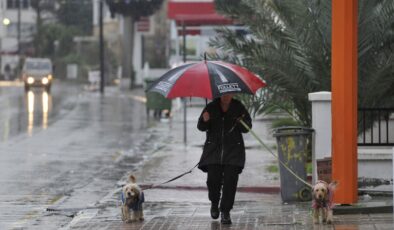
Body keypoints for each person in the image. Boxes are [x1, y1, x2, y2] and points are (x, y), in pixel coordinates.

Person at [197, 93, 252, 224]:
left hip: (233, 151)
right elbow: (201, 127)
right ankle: (214, 203)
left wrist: (241, 122)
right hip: (213, 151)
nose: (226, 96)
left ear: (232, 94)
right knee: (212, 181)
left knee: (230, 182)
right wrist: (205, 120)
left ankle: (225, 211)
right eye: (223, 94)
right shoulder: (210, 107)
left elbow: (247, 128)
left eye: (228, 94)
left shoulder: (239, 107)